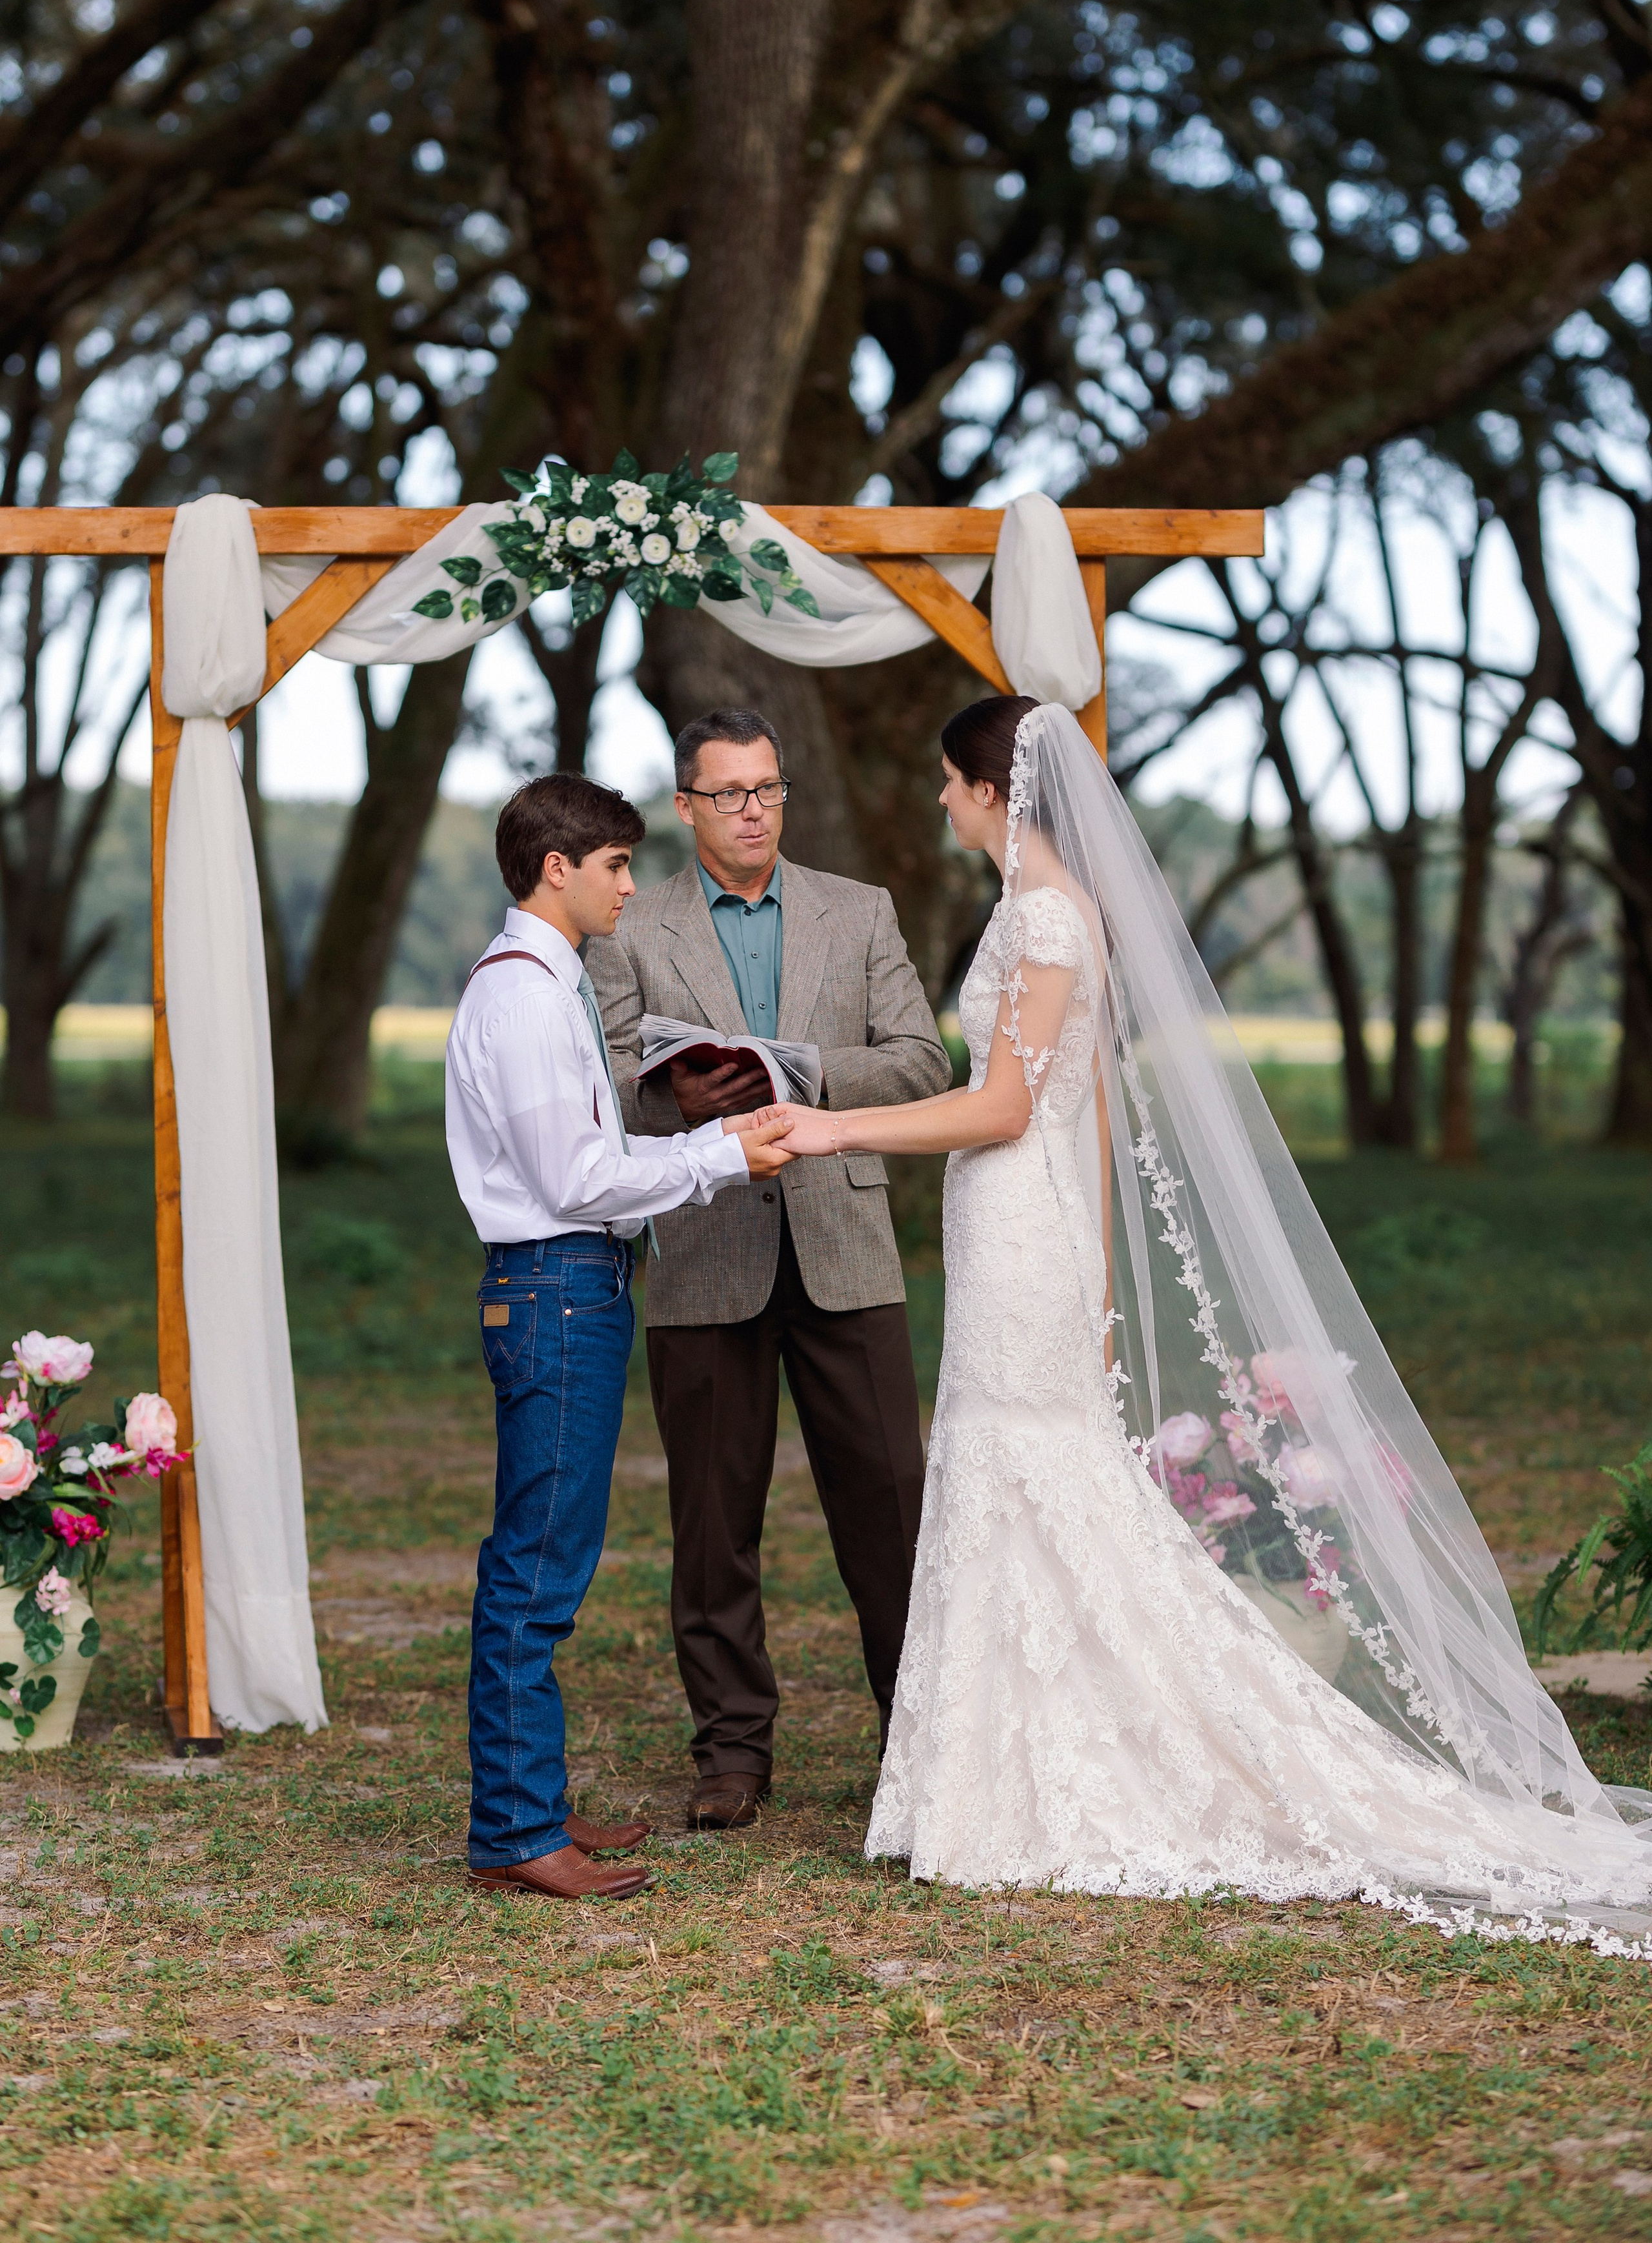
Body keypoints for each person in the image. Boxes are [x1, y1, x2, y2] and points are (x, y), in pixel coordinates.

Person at [768, 692, 1652, 1947]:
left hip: (1022, 1219)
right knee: (1018, 1473)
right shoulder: (1060, 915)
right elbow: (1090, 1119)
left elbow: (1010, 1108)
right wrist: (1109, 1291)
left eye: (945, 782)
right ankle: (1003, 1774)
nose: (935, 801)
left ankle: (1049, 1779)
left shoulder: (1042, 917)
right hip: (1032, 1232)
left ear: (988, 790)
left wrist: (830, 1127)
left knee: (1031, 1471)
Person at [586, 707, 953, 1831]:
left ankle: (924, 1742)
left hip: (846, 1244)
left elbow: (923, 1061)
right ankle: (732, 1755)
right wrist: (669, 1098)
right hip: (704, 1247)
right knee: (712, 1521)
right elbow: (601, 1073)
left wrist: (807, 1080)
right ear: (685, 806)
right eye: (729, 793)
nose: (753, 810)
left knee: (892, 1514)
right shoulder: (627, 924)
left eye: (768, 789)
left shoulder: (861, 910)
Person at [445, 772, 796, 1901]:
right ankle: (513, 1832)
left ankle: (529, 1802)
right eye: (615, 867)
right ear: (559, 868)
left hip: (574, 1286)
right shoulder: (521, 996)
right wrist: (720, 1156)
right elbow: (577, 1176)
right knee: (536, 1570)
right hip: (553, 1287)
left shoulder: (547, 984)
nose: (629, 889)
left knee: (551, 1557)